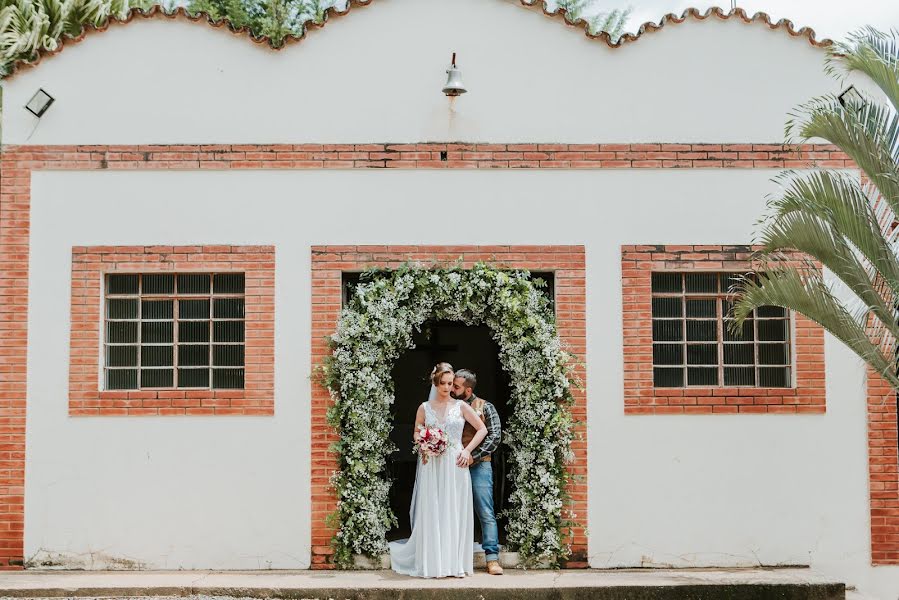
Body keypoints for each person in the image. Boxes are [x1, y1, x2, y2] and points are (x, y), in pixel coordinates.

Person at [389, 362, 488, 578]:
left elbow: (482, 429)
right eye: (442, 383)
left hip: (455, 463)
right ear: (435, 383)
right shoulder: (424, 407)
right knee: (433, 508)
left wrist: (468, 451)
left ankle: (453, 563)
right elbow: (416, 432)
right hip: (432, 464)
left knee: (453, 509)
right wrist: (424, 441)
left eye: (450, 383)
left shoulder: (461, 407)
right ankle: (433, 562)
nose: (446, 387)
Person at [453, 368, 504, 576]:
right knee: (453, 510)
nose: (451, 389)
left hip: (479, 464)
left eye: (456, 386)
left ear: (467, 390)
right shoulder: (451, 406)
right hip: (455, 464)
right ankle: (453, 556)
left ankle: (492, 558)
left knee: (485, 510)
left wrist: (474, 455)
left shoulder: (485, 407)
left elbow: (495, 436)